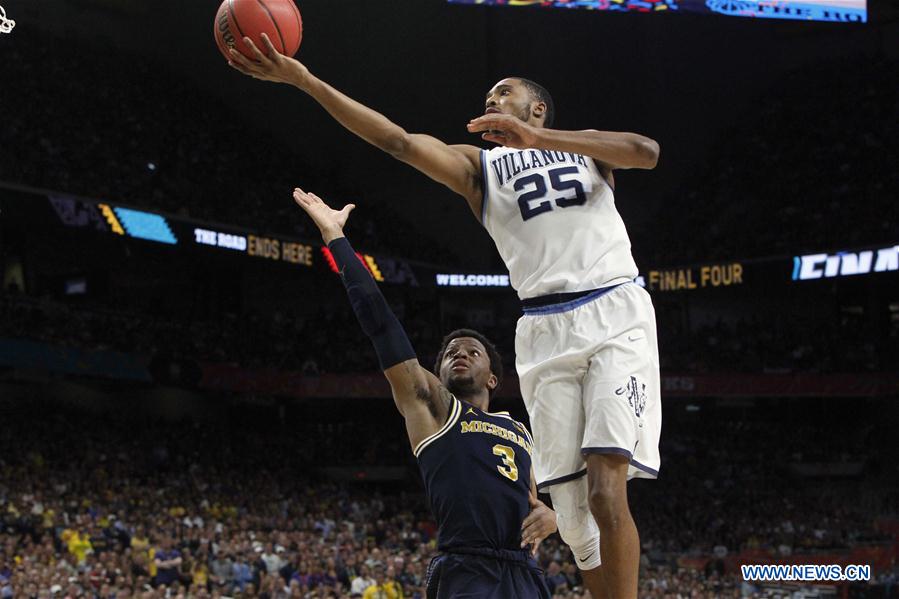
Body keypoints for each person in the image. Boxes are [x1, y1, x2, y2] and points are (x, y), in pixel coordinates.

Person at [229, 36, 661, 598]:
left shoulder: (586, 150)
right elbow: (398, 141)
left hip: (613, 310)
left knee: (607, 492)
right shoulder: (479, 169)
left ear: (535, 108)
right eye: (487, 95)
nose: (490, 99)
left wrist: (541, 139)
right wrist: (305, 81)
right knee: (576, 521)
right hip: (543, 328)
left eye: (502, 93)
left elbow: (645, 150)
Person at [290, 188, 554, 599]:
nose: (458, 354)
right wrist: (335, 239)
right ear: (439, 373)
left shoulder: (517, 428)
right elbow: (381, 324)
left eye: (472, 351)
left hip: (524, 572)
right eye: (450, 352)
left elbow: (536, 504)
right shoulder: (435, 407)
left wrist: (554, 519)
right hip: (467, 567)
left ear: (493, 379)